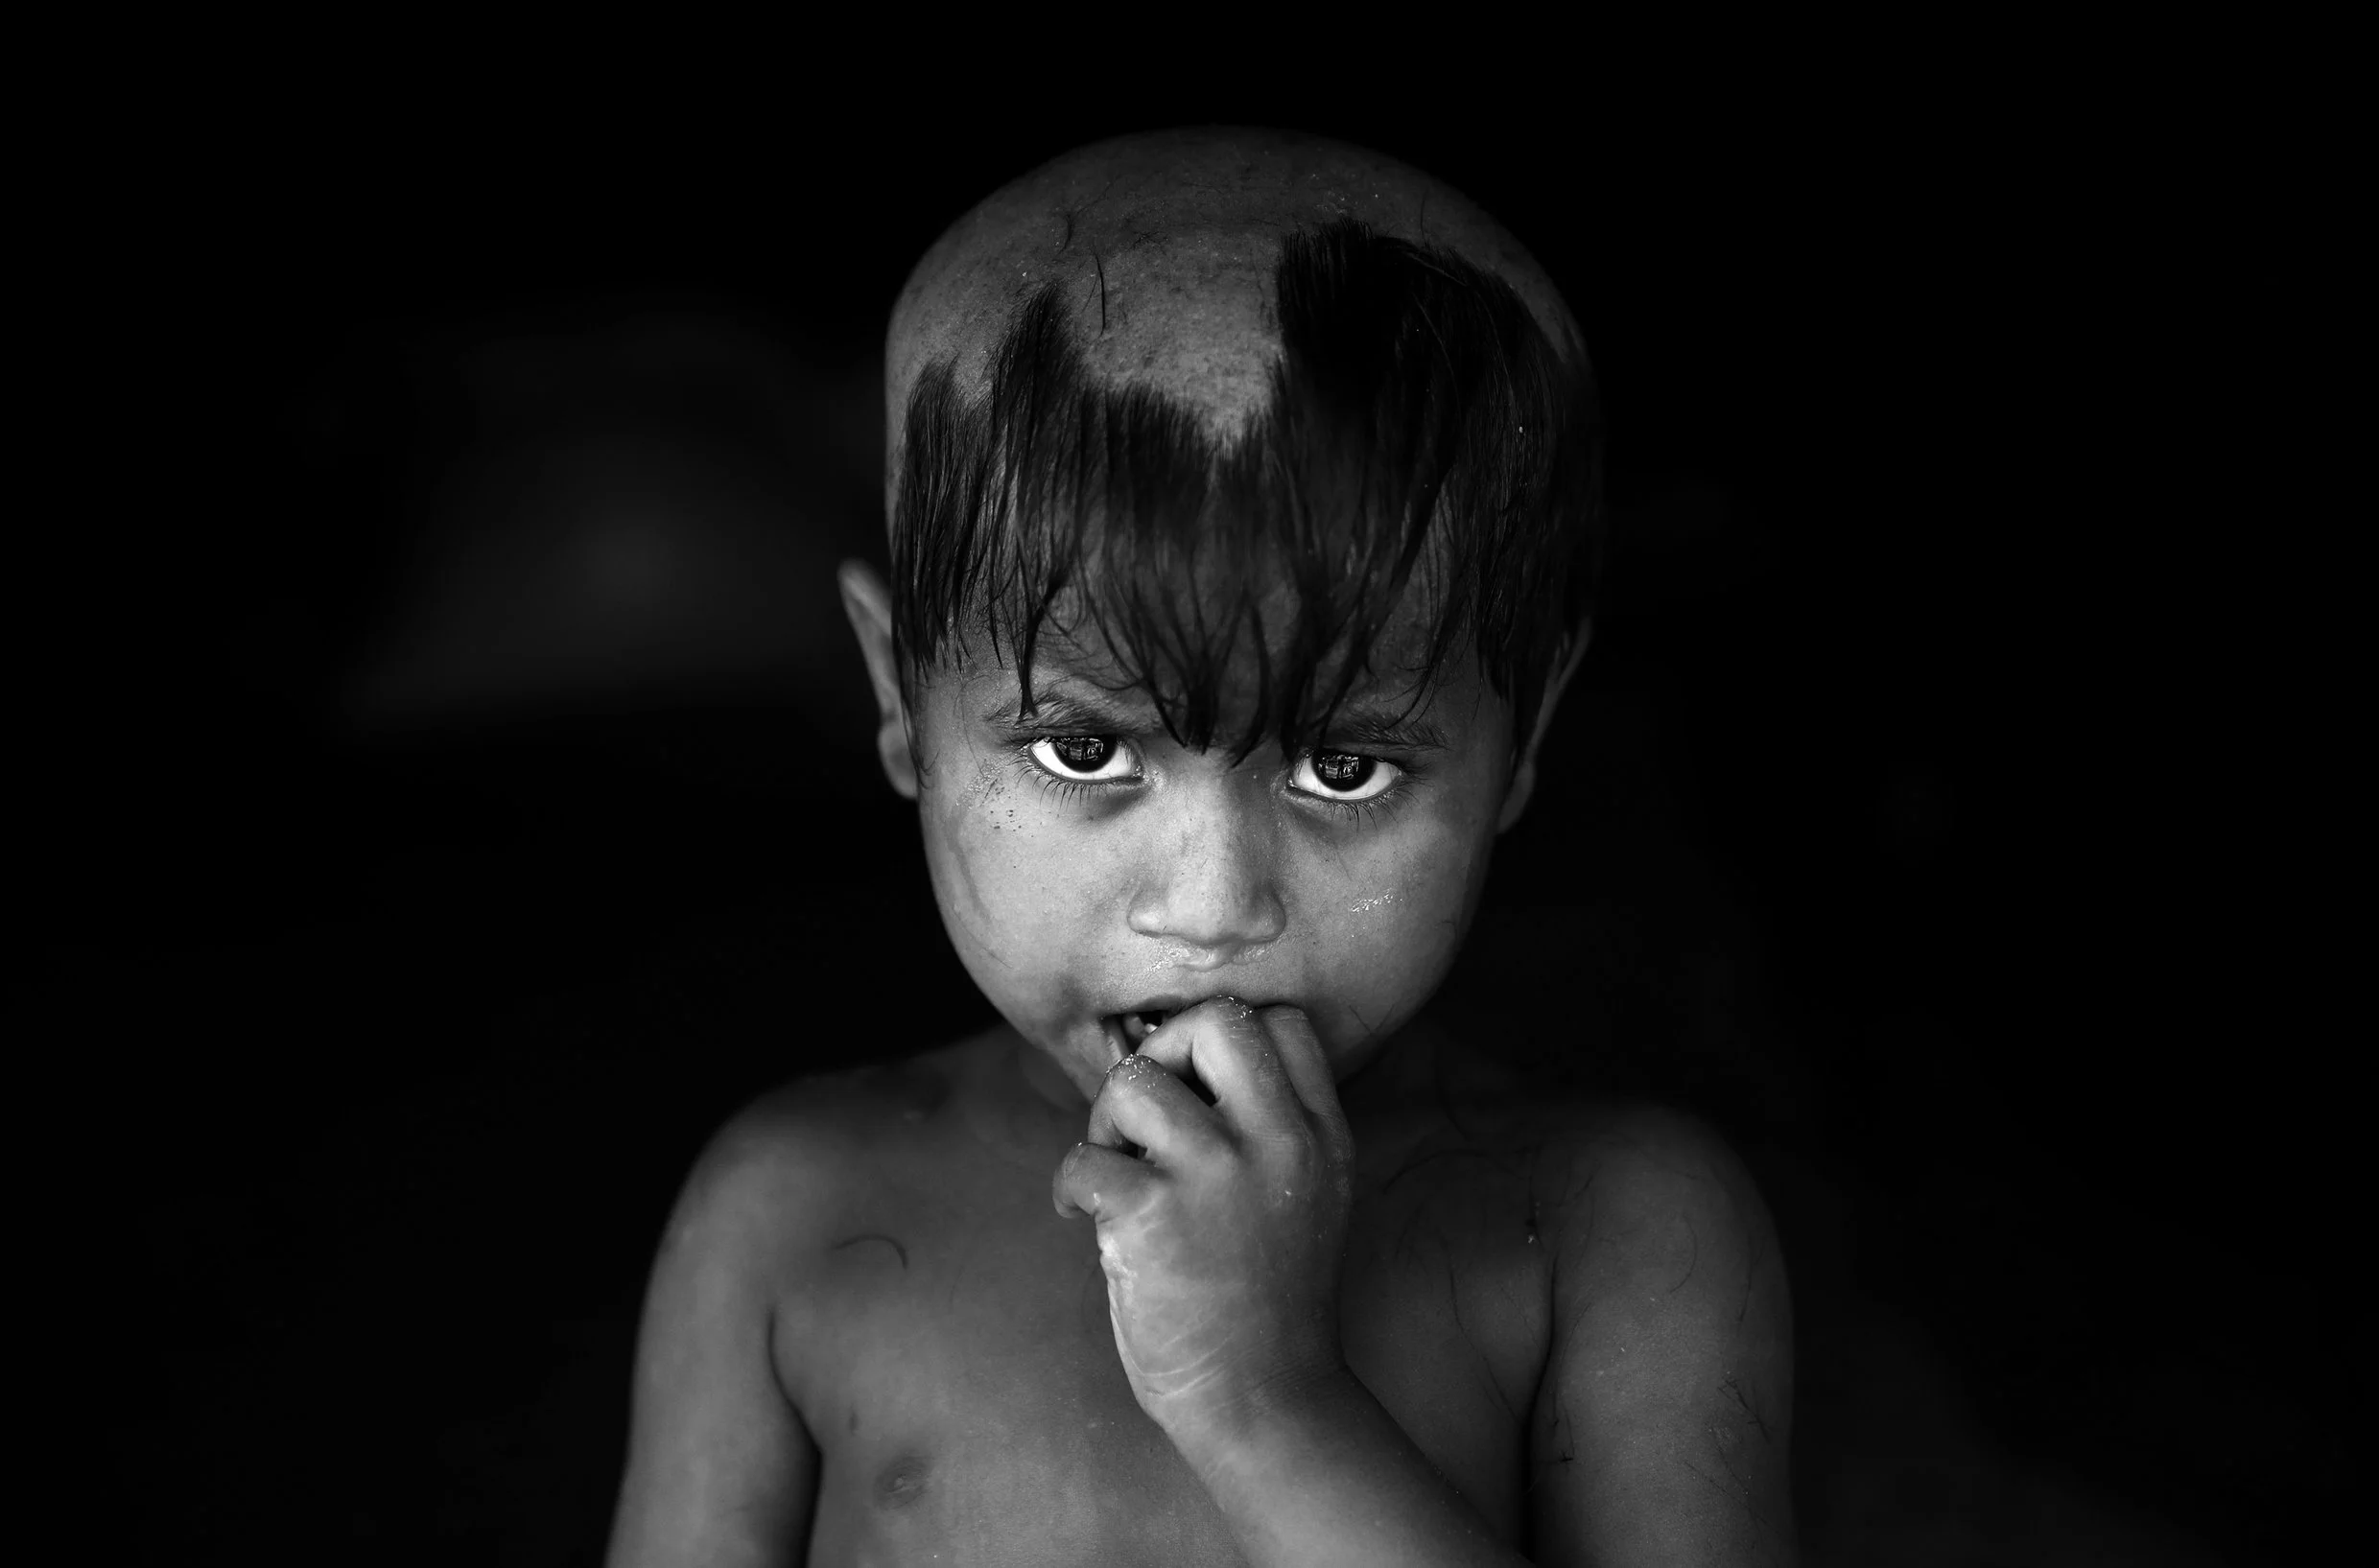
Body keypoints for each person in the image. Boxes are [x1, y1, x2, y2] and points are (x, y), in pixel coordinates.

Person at [604, 126, 1794, 1567]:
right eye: (1086, 750)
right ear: (898, 696)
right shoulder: (789, 1216)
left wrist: (1261, 1398)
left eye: (1343, 765)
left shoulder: (1620, 1234)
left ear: (1525, 734)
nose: (1214, 907)